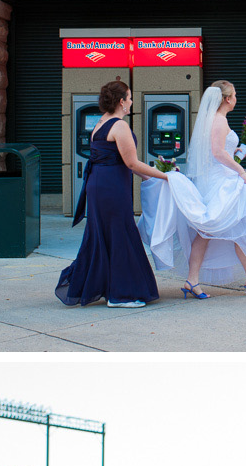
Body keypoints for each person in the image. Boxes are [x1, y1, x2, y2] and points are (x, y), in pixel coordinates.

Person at [148, 79, 246, 297]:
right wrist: (241, 171)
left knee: (216, 232)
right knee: (230, 229)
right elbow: (218, 153)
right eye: (235, 95)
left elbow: (217, 151)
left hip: (218, 180)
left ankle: (202, 280)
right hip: (223, 183)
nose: (236, 99)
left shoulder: (215, 120)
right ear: (227, 99)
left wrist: (238, 150)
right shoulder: (219, 120)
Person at [55, 79, 170, 309]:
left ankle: (110, 289)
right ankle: (121, 294)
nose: (131, 101)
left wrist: (152, 177)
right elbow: (132, 163)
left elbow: (118, 160)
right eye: (129, 97)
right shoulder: (119, 126)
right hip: (112, 187)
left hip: (99, 185)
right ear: (121, 101)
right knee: (119, 234)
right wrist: (165, 176)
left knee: (104, 235)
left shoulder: (101, 123)